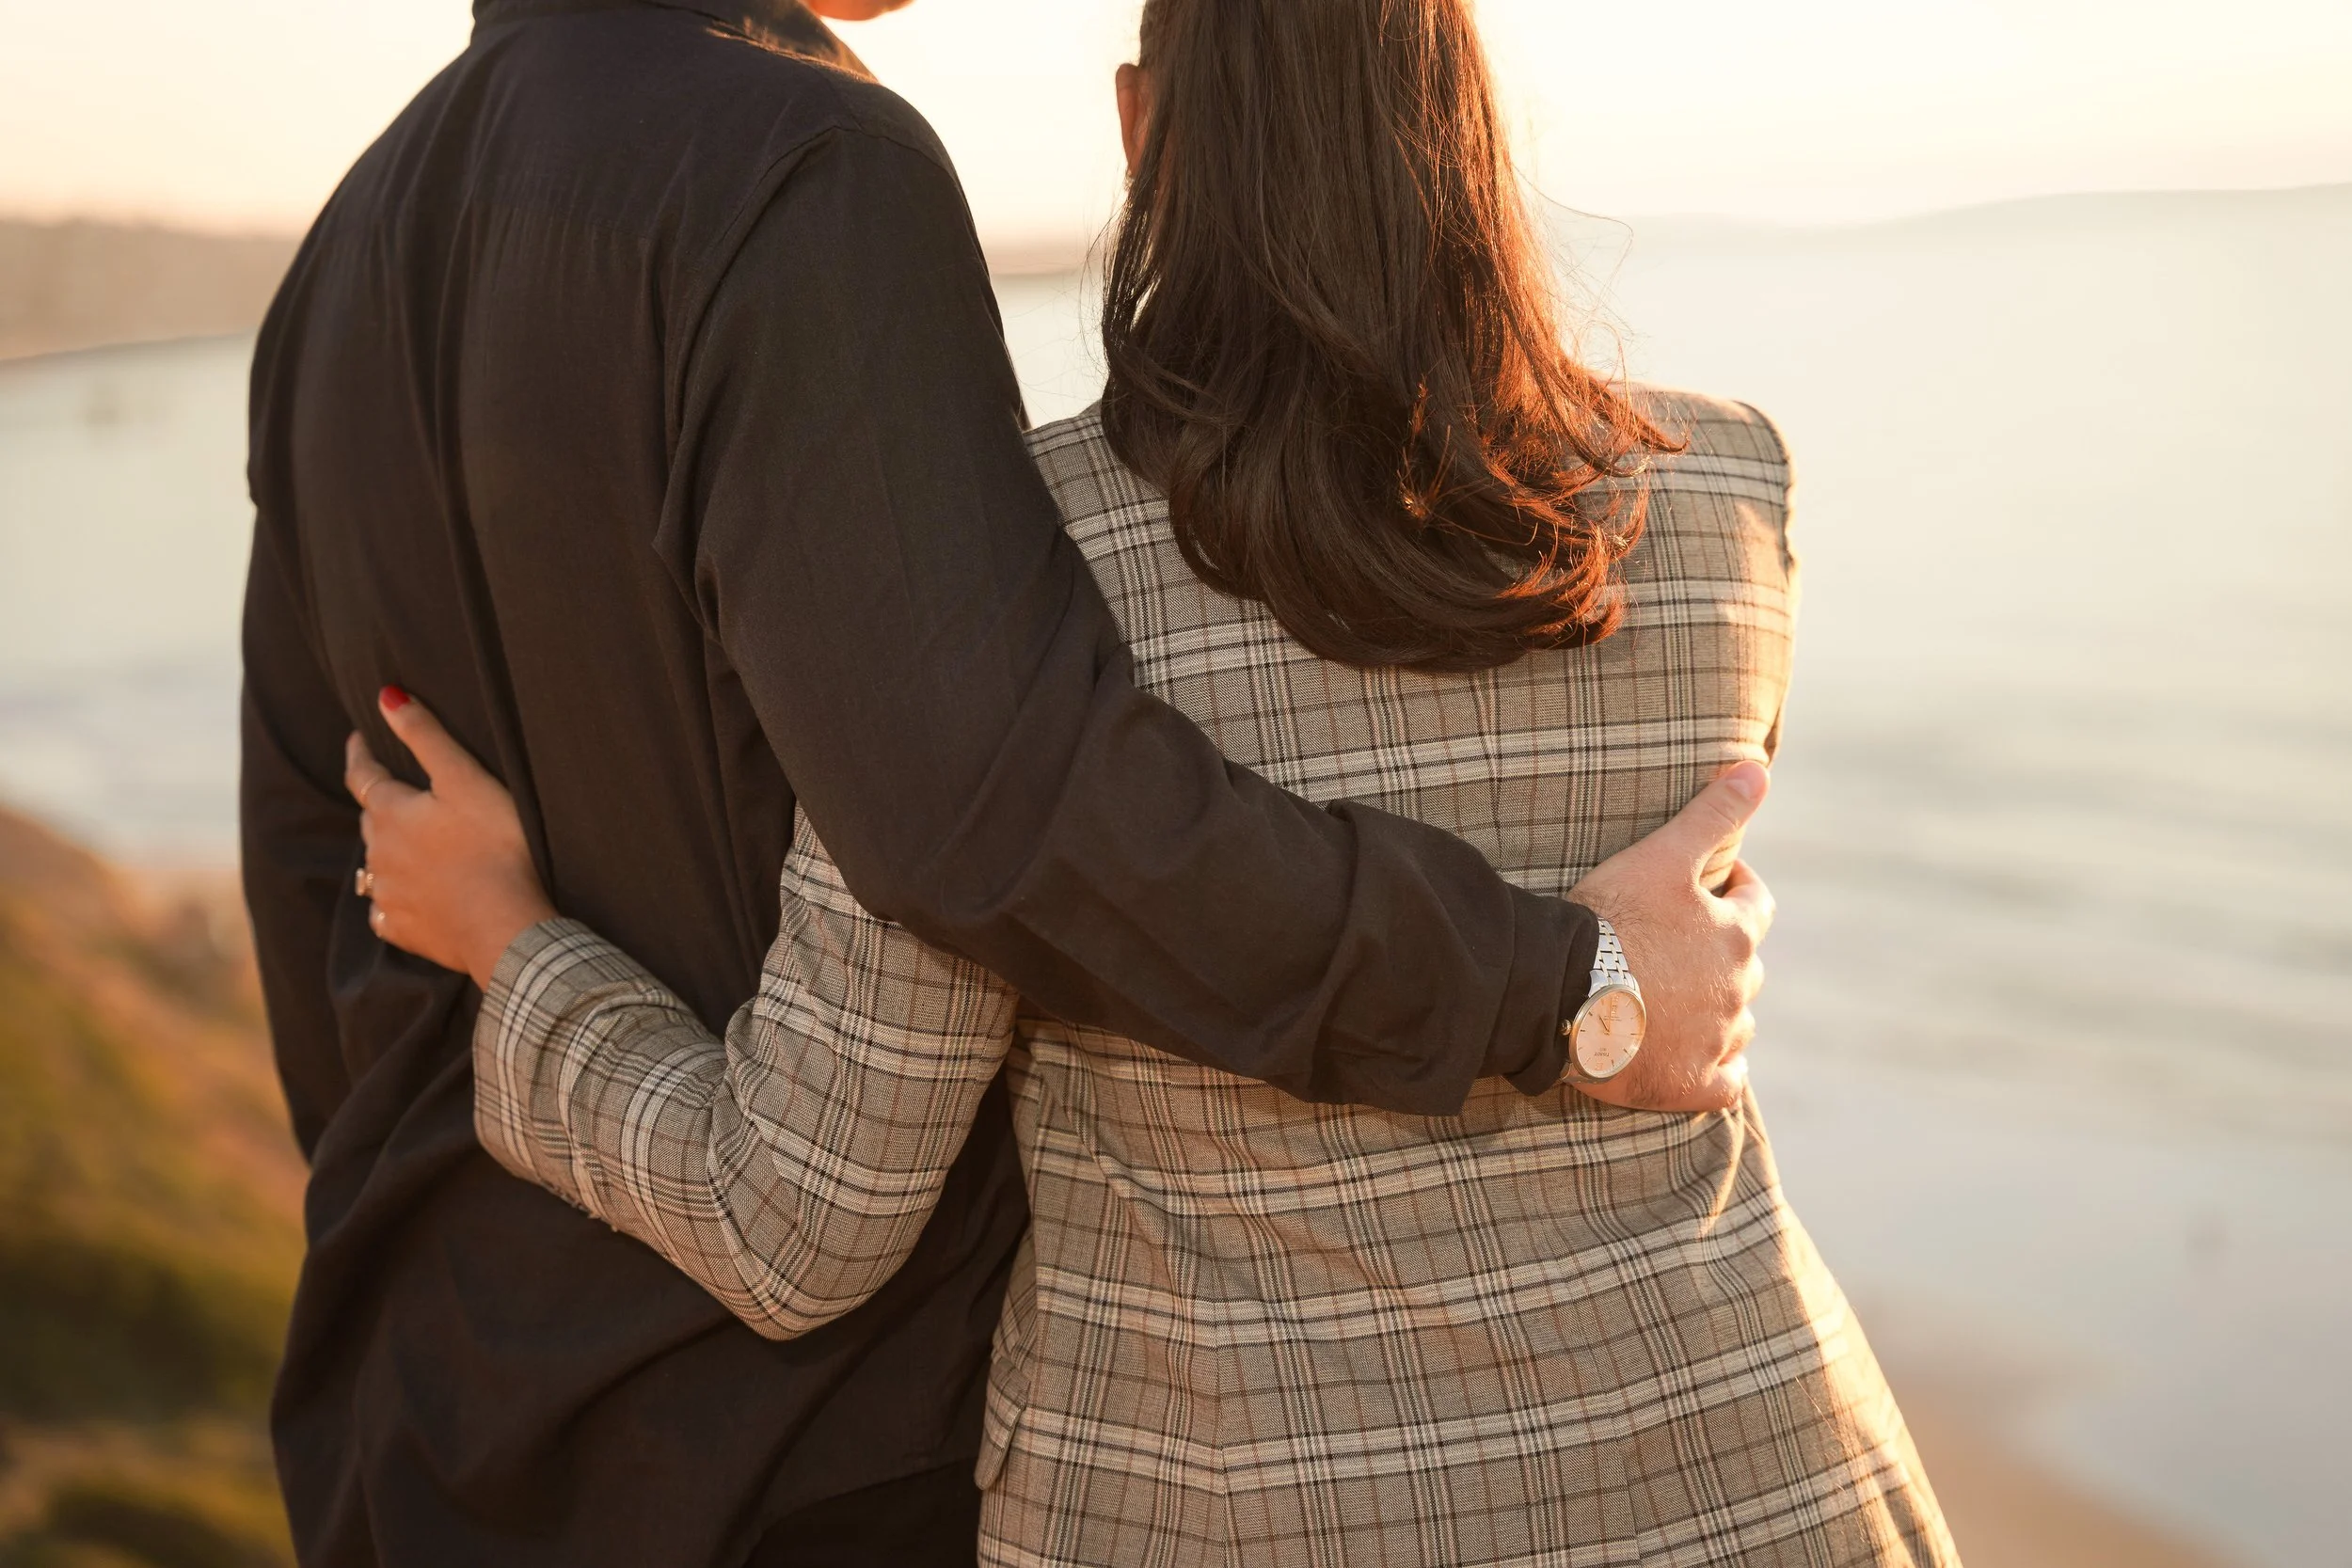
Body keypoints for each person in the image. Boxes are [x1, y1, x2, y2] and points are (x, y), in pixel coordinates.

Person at [342, 0, 1955, 1563]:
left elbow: (798, 1217)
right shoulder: (1728, 496)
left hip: (1232, 1510)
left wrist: (510, 947)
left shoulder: (1009, 559)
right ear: (1467, 120)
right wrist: (1585, 982)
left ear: (1139, 122)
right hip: (1775, 1479)